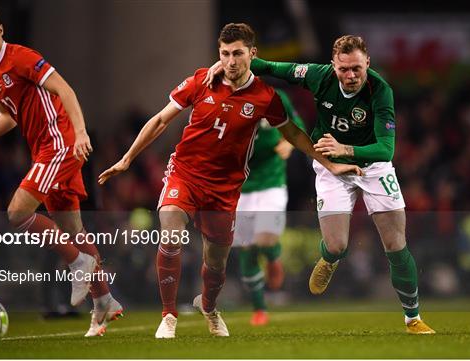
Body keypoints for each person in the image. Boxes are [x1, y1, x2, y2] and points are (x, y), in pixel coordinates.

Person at [98, 23, 362, 339]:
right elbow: (159, 120)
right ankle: (168, 316)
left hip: (224, 189)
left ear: (252, 54)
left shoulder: (265, 97)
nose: (231, 61)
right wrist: (128, 158)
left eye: (237, 53)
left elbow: (292, 133)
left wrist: (328, 163)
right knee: (169, 232)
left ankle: (208, 307)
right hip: (185, 173)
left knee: (217, 263)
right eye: (224, 54)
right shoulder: (200, 81)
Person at [204, 34, 435, 334]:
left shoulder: (380, 90)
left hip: (373, 167)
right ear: (332, 65)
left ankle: (412, 318)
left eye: (356, 69)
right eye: (343, 69)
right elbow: (269, 66)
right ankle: (329, 257)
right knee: (338, 245)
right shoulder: (317, 76)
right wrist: (225, 65)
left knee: (395, 244)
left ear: (367, 63)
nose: (350, 76)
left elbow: (386, 149)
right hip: (331, 167)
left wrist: (346, 149)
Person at [0, 4, 122, 337]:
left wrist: (82, 133)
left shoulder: (22, 57)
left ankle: (78, 264)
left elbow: (65, 89)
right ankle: (104, 300)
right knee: (74, 230)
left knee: (17, 213)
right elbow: (8, 116)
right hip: (45, 151)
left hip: (60, 144)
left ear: (1, 30)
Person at [233, 88, 306, 326]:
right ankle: (259, 309)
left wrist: (288, 142)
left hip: (271, 180)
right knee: (246, 247)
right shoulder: (224, 103)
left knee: (264, 239)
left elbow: (296, 125)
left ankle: (273, 257)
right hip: (239, 185)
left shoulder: (274, 97)